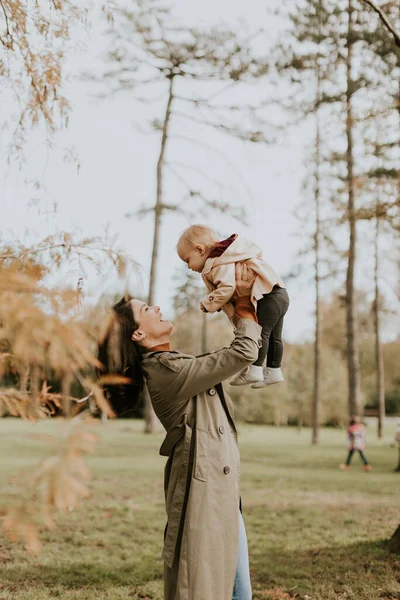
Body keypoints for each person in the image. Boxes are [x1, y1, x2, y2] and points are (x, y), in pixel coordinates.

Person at [98, 263, 260, 600]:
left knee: (236, 590)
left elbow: (229, 357)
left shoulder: (173, 363)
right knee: (218, 589)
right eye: (146, 309)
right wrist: (242, 303)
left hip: (220, 491)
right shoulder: (165, 371)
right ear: (138, 335)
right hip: (206, 494)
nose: (156, 308)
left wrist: (235, 304)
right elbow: (243, 352)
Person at [176, 224, 289, 389]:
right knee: (274, 336)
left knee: (261, 333)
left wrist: (209, 303)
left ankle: (255, 369)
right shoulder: (231, 256)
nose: (188, 266)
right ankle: (274, 369)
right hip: (279, 291)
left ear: (200, 250)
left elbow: (227, 287)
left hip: (269, 294)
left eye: (188, 260)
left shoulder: (220, 263)